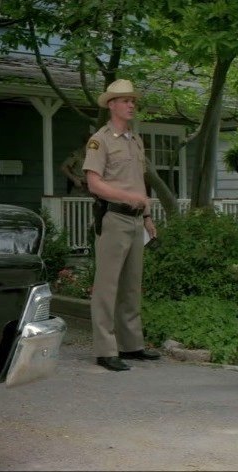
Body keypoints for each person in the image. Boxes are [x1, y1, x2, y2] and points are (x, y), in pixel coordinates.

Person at [82, 79, 160, 372]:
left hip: (136, 219)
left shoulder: (135, 140)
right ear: (112, 105)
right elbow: (94, 184)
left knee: (131, 285)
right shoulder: (100, 140)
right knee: (107, 287)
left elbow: (140, 182)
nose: (131, 105)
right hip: (113, 219)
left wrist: (147, 216)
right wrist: (128, 198)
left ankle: (131, 344)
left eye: (133, 101)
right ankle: (105, 350)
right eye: (126, 100)